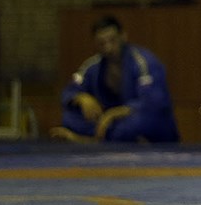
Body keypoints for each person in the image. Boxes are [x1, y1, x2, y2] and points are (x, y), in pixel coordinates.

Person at [50, 15, 179, 143]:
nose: (108, 47)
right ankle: (112, 139)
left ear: (123, 36)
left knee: (138, 122)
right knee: (70, 116)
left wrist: (114, 113)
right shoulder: (92, 66)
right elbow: (69, 91)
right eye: (102, 43)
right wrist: (81, 98)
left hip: (139, 119)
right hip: (110, 123)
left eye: (112, 40)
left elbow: (153, 101)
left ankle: (95, 140)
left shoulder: (144, 62)